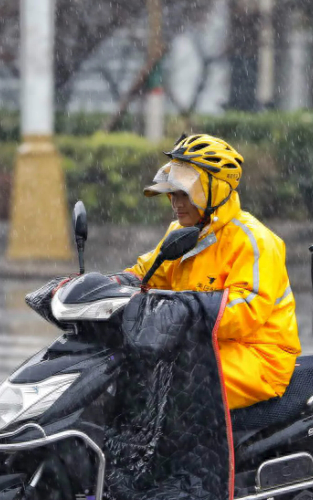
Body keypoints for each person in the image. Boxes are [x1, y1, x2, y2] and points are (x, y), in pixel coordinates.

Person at [121, 134, 300, 410]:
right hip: (209, 345)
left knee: (174, 382)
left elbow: (246, 311)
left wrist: (184, 311)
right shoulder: (180, 232)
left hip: (261, 356)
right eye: (172, 194)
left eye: (184, 195)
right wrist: (114, 285)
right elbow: (148, 273)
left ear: (213, 192)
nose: (175, 203)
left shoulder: (254, 240)